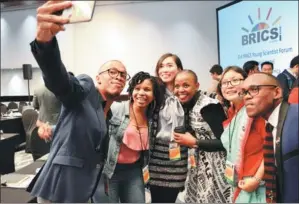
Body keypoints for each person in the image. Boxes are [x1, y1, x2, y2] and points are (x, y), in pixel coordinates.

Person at [27, 1, 129, 202]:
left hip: (82, 190)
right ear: (98, 77)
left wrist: (51, 129)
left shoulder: (107, 111)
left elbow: (74, 130)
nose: (119, 77)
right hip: (60, 188)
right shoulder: (87, 87)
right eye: (112, 72)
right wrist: (45, 44)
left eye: (124, 75)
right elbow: (62, 84)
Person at [102, 72, 165, 203]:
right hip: (110, 171)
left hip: (134, 171)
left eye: (147, 89)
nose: (141, 93)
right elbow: (91, 123)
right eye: (137, 88)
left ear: (154, 96)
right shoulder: (116, 109)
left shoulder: (153, 117)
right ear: (131, 91)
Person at [173, 70, 231, 203]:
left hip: (216, 166)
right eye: (177, 86)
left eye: (186, 85)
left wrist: (195, 141)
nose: (180, 90)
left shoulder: (209, 106)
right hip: (198, 164)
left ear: (197, 85)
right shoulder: (185, 104)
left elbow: (226, 142)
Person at [240, 72, 299, 203]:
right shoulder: (270, 124)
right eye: (244, 92)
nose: (246, 97)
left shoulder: (296, 116)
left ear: (277, 92)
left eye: (254, 89)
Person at [219, 66, 266, 203]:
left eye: (234, 81)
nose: (229, 86)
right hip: (239, 181)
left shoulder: (256, 110)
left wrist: (257, 179)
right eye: (225, 83)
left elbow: (273, 146)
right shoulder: (232, 111)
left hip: (257, 184)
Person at [148, 53, 186, 203]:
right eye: (161, 66)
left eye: (169, 65)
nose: (164, 69)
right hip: (156, 159)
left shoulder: (185, 95)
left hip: (178, 159)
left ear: (180, 69)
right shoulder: (154, 94)